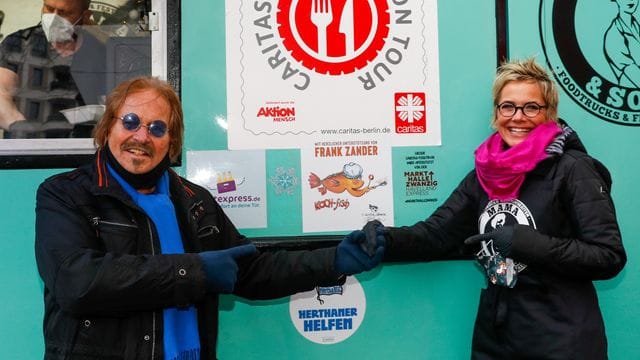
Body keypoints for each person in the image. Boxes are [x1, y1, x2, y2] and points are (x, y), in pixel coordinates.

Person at [34, 76, 384, 359]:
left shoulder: (194, 201)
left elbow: (251, 270)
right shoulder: (65, 193)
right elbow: (76, 283)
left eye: (158, 128)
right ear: (108, 127)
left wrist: (336, 259)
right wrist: (196, 271)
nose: (141, 136)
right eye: (130, 122)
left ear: (171, 143)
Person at [364, 58, 626, 359]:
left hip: (561, 338)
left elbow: (609, 256)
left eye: (531, 107)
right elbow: (436, 233)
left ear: (549, 114)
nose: (518, 117)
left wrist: (526, 243)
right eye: (508, 106)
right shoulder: (485, 173)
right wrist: (386, 240)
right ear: (496, 113)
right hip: (497, 336)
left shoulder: (573, 169)